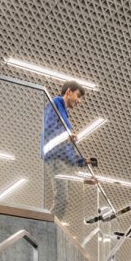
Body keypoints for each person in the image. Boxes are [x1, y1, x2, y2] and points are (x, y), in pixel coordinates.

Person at [41, 81, 85, 218]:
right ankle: (49, 228)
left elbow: (66, 147)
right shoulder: (54, 104)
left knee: (63, 199)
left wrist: (82, 161)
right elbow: (48, 129)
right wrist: (67, 136)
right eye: (78, 96)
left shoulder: (64, 115)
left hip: (63, 160)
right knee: (62, 198)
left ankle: (52, 227)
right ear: (68, 92)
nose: (79, 101)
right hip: (55, 158)